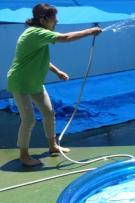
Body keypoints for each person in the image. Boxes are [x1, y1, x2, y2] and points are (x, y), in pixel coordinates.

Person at [7, 3, 102, 166]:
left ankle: (53, 146)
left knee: (49, 113)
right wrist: (90, 31)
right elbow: (65, 38)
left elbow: (40, 58)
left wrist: (57, 71)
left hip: (35, 81)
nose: (56, 21)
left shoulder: (39, 34)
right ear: (43, 19)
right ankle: (24, 155)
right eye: (54, 18)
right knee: (28, 120)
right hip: (21, 82)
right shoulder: (35, 33)